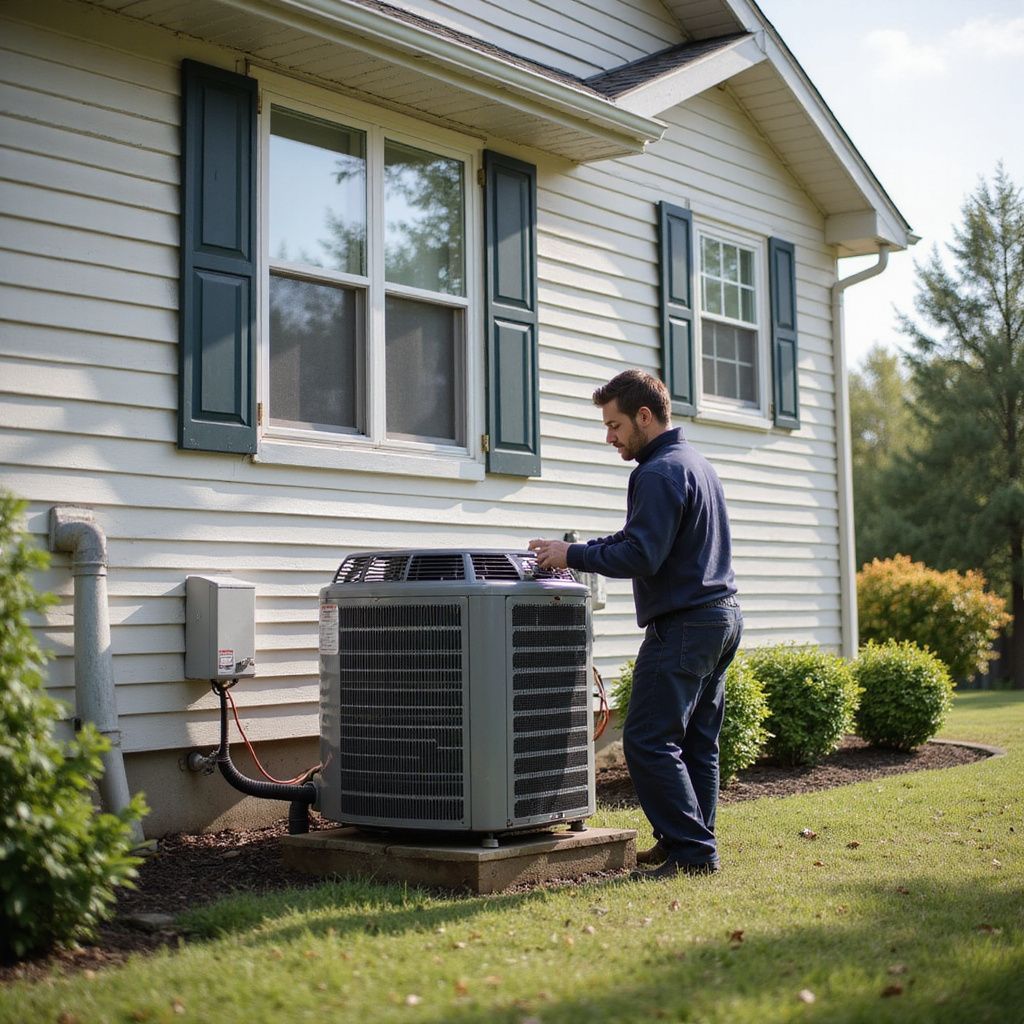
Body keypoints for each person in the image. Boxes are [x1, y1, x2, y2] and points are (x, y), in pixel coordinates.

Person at [529, 368, 742, 879]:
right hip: (722, 618)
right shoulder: (694, 464)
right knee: (696, 743)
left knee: (647, 739)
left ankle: (692, 851)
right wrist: (574, 552)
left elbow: (642, 555)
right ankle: (686, 844)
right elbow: (637, 540)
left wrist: (571, 553)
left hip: (686, 626)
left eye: (615, 425)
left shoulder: (655, 472)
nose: (610, 438)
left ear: (644, 416)